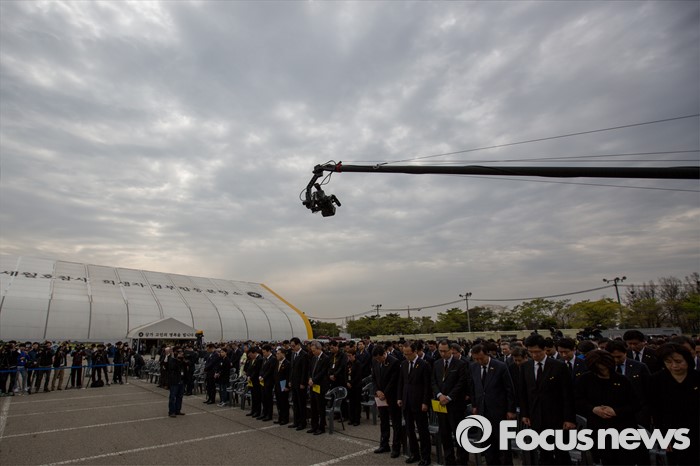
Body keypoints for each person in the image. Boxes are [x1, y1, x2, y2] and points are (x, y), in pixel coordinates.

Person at [575, 350, 643, 465]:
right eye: (600, 369)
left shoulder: (622, 380)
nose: (604, 372)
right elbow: (578, 401)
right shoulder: (585, 380)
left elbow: (635, 404)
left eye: (606, 368)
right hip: (599, 428)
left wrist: (616, 411)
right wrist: (593, 409)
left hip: (623, 427)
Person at [519, 334, 575, 466]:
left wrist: (569, 418)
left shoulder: (559, 366)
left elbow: (567, 394)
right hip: (536, 417)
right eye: (531, 352)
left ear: (545, 349)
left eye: (537, 351)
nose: (534, 355)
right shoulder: (525, 367)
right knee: (544, 453)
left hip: (557, 417)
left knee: (561, 453)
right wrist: (525, 413)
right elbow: (523, 392)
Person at [648, 343, 700, 465]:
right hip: (672, 432)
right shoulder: (656, 380)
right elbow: (655, 411)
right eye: (668, 362)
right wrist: (662, 437)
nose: (674, 366)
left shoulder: (697, 378)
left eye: (678, 361)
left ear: (687, 360)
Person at [470, 344, 516, 466]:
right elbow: (473, 387)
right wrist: (475, 405)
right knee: (488, 443)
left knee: (503, 444)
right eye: (476, 359)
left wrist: (510, 410)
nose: (479, 361)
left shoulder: (500, 366)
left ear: (487, 354)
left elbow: (509, 389)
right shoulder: (473, 367)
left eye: (481, 358)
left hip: (499, 411)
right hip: (483, 411)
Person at [432, 340, 469, 466]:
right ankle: (449, 460)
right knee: (445, 434)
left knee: (459, 434)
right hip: (441, 404)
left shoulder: (460, 364)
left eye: (445, 351)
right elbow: (434, 381)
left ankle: (462, 460)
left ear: (451, 350)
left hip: (455, 405)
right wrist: (439, 395)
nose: (443, 353)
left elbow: (461, 383)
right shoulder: (437, 363)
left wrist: (448, 397)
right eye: (440, 351)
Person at [397, 342, 432, 466]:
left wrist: (425, 402)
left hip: (419, 402)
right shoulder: (404, 364)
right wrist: (399, 397)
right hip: (406, 401)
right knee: (409, 429)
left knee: (422, 431)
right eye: (405, 354)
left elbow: (427, 385)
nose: (407, 356)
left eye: (409, 353)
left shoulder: (423, 365)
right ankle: (414, 453)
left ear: (415, 352)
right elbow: (401, 382)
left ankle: (426, 456)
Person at [607, 339, 651, 427]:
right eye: (613, 357)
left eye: (619, 357)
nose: (616, 360)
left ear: (625, 353)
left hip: (637, 413)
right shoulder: (605, 368)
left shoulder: (639, 367)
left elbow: (649, 390)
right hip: (612, 413)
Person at [372, 344, 402, 457]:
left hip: (391, 397)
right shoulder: (375, 362)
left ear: (384, 354)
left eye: (379, 358)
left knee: (395, 423)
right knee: (384, 421)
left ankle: (396, 447)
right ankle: (384, 444)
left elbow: (394, 381)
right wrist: (377, 391)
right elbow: (374, 378)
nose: (378, 360)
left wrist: (384, 393)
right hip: (380, 396)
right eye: (376, 359)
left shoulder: (394, 362)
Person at [307, 340, 330, 435]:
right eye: (312, 351)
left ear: (319, 349)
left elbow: (323, 372)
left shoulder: (325, 358)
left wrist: (314, 380)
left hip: (320, 385)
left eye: (314, 350)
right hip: (313, 385)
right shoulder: (313, 358)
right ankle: (314, 426)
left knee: (320, 407)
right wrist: (309, 378)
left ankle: (321, 427)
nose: (313, 352)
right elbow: (310, 370)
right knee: (313, 406)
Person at [288, 337, 309, 431]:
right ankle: (296, 421)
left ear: (298, 345)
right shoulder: (293, 354)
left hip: (300, 383)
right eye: (291, 346)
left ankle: (302, 423)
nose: (292, 348)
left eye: (293, 346)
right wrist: (290, 380)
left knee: (301, 404)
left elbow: (305, 370)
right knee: (295, 403)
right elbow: (292, 369)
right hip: (294, 382)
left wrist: (303, 383)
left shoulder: (304, 355)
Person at [166, 347, 188, 417]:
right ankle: (171, 412)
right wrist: (176, 359)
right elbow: (172, 367)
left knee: (180, 397)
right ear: (175, 353)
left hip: (181, 380)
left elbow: (186, 366)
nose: (181, 354)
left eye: (181, 352)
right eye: (179, 352)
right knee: (173, 397)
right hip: (174, 381)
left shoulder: (182, 360)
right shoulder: (172, 360)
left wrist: (183, 360)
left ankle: (178, 410)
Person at [345, 348, 363, 426]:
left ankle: (357, 419)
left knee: (356, 403)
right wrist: (347, 382)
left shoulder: (358, 363)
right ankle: (351, 418)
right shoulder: (348, 363)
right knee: (351, 403)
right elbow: (345, 374)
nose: (349, 357)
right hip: (349, 386)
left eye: (350, 356)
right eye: (347, 356)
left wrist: (351, 382)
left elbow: (358, 376)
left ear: (354, 355)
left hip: (356, 386)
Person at [273, 347, 290, 425]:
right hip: (277, 385)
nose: (277, 355)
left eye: (278, 353)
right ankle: (280, 418)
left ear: (283, 354)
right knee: (279, 402)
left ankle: (285, 418)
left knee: (284, 402)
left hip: (283, 384)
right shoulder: (277, 362)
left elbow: (288, 376)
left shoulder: (287, 363)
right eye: (276, 353)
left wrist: (287, 386)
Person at [259, 344, 275, 420]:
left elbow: (270, 370)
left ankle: (269, 414)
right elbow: (262, 369)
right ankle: (264, 413)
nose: (263, 354)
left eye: (264, 352)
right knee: (263, 398)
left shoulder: (273, 359)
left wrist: (263, 377)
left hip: (269, 381)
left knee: (268, 399)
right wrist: (260, 375)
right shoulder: (264, 359)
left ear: (269, 351)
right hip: (262, 381)